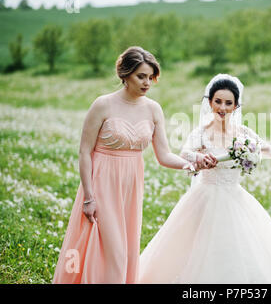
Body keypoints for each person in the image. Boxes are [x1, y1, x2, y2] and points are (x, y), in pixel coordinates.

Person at [52, 46, 212, 284]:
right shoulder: (102, 105)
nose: (147, 82)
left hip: (131, 186)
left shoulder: (153, 109)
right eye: (141, 76)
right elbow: (84, 151)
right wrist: (88, 196)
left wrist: (193, 164)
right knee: (110, 251)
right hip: (102, 183)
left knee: (126, 251)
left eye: (150, 77)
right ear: (124, 74)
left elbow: (165, 155)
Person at [138, 74, 271, 283]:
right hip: (205, 197)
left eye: (228, 103)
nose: (222, 107)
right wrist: (199, 157)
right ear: (210, 103)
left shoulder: (244, 134)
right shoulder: (202, 133)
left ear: (236, 106)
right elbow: (184, 153)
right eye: (218, 101)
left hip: (235, 197)